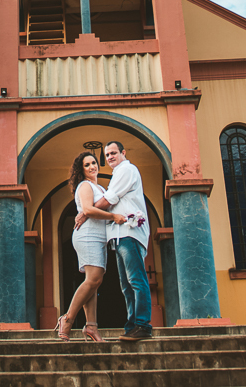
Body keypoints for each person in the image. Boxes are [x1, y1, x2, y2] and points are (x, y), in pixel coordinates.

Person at [78, 140, 153, 341]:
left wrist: (87, 212)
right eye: (107, 154)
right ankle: (131, 326)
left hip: (129, 233)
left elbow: (110, 199)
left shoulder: (126, 170)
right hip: (119, 236)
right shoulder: (116, 174)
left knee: (136, 280)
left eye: (113, 153)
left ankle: (143, 325)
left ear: (123, 152)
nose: (110, 157)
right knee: (126, 285)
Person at [57, 151, 125, 343]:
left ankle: (92, 327)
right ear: (82, 170)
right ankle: (67, 319)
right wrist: (113, 217)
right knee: (94, 279)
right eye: (87, 165)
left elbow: (95, 207)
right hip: (87, 235)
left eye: (94, 163)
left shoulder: (102, 188)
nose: (92, 167)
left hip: (99, 237)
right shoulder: (85, 185)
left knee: (94, 281)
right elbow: (87, 209)